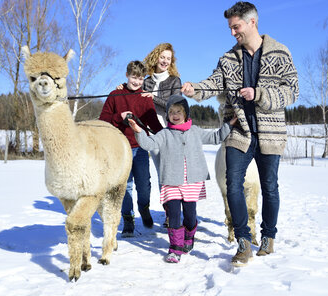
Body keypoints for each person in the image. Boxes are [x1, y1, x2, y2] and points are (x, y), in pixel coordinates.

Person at [181, 1, 299, 266]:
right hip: (239, 130)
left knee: (269, 187)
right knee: (232, 183)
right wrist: (195, 89)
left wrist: (260, 95)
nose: (233, 32)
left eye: (236, 27)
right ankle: (243, 241)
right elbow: (213, 84)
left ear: (252, 22)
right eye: (231, 28)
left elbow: (292, 90)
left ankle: (268, 237)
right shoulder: (228, 59)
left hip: (271, 132)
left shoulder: (280, 53)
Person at [128, 94, 237, 263]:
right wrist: (138, 132)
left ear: (186, 113)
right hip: (171, 181)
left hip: (191, 181)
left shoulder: (195, 131)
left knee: (190, 215)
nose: (175, 114)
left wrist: (229, 125)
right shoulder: (164, 134)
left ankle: (188, 238)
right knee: (173, 215)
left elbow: (215, 137)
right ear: (167, 115)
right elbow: (149, 144)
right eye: (171, 111)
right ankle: (175, 248)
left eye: (179, 111)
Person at [117, 43, 182, 227]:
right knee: (153, 174)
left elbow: (175, 105)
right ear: (156, 57)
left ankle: (171, 212)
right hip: (147, 134)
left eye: (168, 58)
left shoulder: (174, 81)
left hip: (167, 131)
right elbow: (134, 90)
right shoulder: (146, 80)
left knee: (167, 173)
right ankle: (148, 209)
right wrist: (123, 87)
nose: (165, 61)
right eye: (162, 57)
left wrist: (153, 97)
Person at [99, 60, 164, 237]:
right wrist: (119, 117)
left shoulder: (145, 98)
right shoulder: (115, 95)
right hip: (120, 150)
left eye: (141, 78)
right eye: (134, 77)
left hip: (141, 147)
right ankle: (128, 218)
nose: (137, 82)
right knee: (125, 186)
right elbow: (102, 121)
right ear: (127, 75)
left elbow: (154, 124)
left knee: (144, 184)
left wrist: (168, 137)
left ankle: (144, 208)